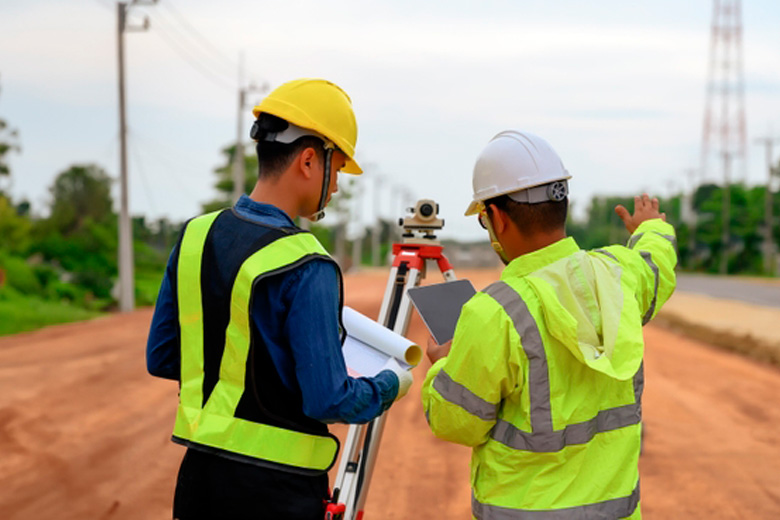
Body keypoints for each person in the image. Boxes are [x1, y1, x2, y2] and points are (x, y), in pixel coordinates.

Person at [146, 78, 412, 520]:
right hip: (278, 494)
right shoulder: (308, 263)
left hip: (198, 485)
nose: (337, 187)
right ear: (309, 160)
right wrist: (391, 383)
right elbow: (328, 400)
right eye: (338, 168)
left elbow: (164, 356)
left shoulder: (195, 235)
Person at [421, 130, 677, 519]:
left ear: (497, 219)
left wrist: (443, 363)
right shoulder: (619, 276)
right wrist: (651, 228)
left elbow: (456, 422)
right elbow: (656, 263)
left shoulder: (493, 313)